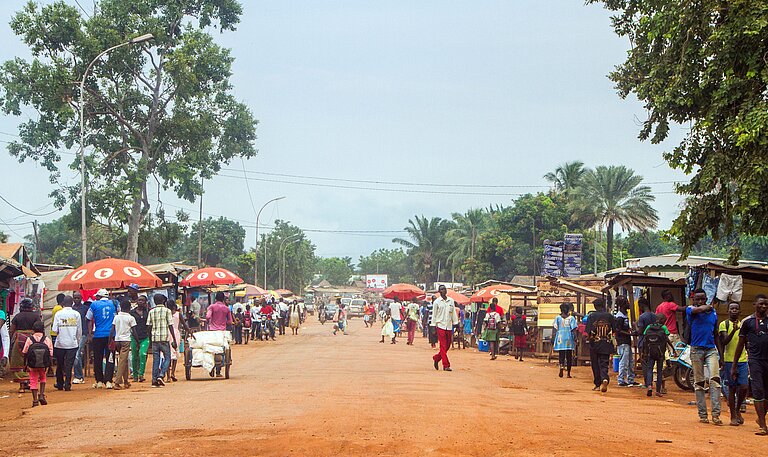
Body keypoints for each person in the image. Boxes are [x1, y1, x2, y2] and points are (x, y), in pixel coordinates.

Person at [731, 294, 768, 435]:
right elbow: (740, 344)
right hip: (755, 360)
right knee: (758, 391)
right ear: (754, 304)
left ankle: (761, 419)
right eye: (761, 304)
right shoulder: (747, 322)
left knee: (766, 393)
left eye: (766, 304)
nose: (763, 306)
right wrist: (734, 366)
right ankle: (763, 426)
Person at [687, 288, 722, 425]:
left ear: (706, 298)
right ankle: (703, 415)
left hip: (711, 349)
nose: (700, 301)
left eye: (703, 299)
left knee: (715, 380)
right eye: (698, 299)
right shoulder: (691, 310)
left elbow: (716, 334)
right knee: (699, 382)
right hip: (696, 349)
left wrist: (721, 356)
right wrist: (707, 306)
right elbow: (698, 310)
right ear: (694, 300)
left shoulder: (713, 313)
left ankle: (716, 415)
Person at [719, 302, 749, 426]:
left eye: (736, 309)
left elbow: (746, 342)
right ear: (728, 311)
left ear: (740, 311)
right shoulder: (724, 324)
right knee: (731, 388)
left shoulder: (744, 325)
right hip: (729, 360)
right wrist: (734, 331)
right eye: (732, 308)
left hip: (742, 359)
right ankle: (733, 415)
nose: (734, 311)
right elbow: (724, 341)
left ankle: (737, 409)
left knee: (744, 387)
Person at [86, 289, 116, 389]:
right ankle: (108, 380)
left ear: (99, 296)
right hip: (111, 336)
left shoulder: (94, 305)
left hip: (98, 335)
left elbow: (88, 319)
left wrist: (90, 334)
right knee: (110, 358)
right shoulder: (114, 303)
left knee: (97, 358)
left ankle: (99, 380)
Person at [51, 296, 81, 392]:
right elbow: (79, 330)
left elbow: (54, 330)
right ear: (72, 303)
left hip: (60, 343)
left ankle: (60, 383)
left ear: (63, 303)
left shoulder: (58, 314)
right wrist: (77, 340)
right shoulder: (76, 314)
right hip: (72, 343)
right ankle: (67, 384)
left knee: (60, 364)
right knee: (69, 364)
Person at [146, 294, 177, 386]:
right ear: (163, 301)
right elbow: (170, 325)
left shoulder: (151, 312)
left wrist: (149, 338)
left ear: (155, 301)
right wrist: (174, 339)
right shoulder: (167, 311)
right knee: (167, 358)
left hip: (155, 338)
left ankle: (154, 380)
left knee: (156, 359)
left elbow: (149, 325)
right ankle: (162, 374)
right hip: (164, 338)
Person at [585, 298, 615, 393]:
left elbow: (589, 331)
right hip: (606, 342)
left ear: (595, 306)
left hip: (594, 343)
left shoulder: (591, 316)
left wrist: (589, 339)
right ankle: (605, 378)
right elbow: (614, 330)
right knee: (604, 363)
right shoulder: (610, 316)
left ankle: (597, 384)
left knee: (595, 364)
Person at [21, 320, 52, 407]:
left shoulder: (29, 339)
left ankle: (35, 400)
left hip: (32, 365)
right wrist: (49, 365)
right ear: (43, 329)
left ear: (33, 330)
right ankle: (41, 395)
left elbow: (25, 352)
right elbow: (50, 353)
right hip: (43, 364)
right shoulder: (46, 339)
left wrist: (25, 364)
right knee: (43, 378)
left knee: (33, 380)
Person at [643, 313, 673, 397]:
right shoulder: (663, 327)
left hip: (650, 352)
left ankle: (649, 386)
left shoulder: (649, 327)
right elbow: (667, 339)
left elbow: (645, 338)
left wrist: (644, 352)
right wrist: (672, 348)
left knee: (649, 369)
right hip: (660, 352)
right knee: (659, 371)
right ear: (663, 320)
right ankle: (658, 391)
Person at [110, 298, 137, 390]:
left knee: (124, 360)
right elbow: (134, 331)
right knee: (122, 361)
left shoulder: (116, 317)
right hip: (126, 340)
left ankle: (126, 381)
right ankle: (117, 382)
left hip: (117, 340)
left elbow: (112, 329)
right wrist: (137, 342)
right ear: (129, 308)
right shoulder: (130, 318)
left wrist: (110, 340)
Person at [431, 285, 458, 371]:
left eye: (444, 289)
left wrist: (456, 323)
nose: (443, 291)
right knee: (442, 345)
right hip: (440, 325)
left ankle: (436, 358)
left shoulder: (451, 301)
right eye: (441, 290)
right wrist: (433, 327)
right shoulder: (437, 302)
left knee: (447, 345)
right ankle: (446, 365)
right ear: (439, 292)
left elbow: (453, 313)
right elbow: (434, 315)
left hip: (449, 326)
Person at [614, 296, 639, 387]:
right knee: (623, 361)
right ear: (623, 304)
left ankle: (630, 379)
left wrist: (630, 332)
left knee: (630, 361)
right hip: (622, 341)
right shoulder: (619, 317)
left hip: (626, 341)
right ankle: (621, 380)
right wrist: (630, 334)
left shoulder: (624, 315)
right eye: (627, 303)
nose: (629, 304)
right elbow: (618, 330)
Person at [167, 301, 192, 382]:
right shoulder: (178, 314)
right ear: (174, 306)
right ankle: (173, 373)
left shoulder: (166, 313)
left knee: (167, 354)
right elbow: (184, 325)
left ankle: (168, 375)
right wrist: (190, 333)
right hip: (176, 334)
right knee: (174, 353)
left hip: (166, 333)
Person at [635, 298, 656, 389]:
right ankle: (650, 382)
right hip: (653, 341)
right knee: (651, 363)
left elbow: (640, 331)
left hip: (643, 342)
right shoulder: (654, 315)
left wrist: (635, 325)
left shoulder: (642, 317)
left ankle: (647, 383)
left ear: (641, 305)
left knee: (644, 363)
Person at [553, 303, 578, 378]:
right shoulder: (572, 318)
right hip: (569, 338)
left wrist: (553, 337)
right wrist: (576, 338)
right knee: (569, 356)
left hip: (560, 337)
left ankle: (561, 366)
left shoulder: (557, 318)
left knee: (561, 354)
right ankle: (568, 373)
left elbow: (555, 328)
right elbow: (574, 329)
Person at [129, 294, 150, 383]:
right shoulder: (132, 313)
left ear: (145, 302)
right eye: (139, 300)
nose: (140, 302)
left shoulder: (148, 312)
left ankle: (141, 374)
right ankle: (135, 375)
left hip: (144, 337)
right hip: (134, 337)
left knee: (142, 354)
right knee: (134, 356)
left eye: (142, 300)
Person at [72, 291, 90, 384]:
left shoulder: (85, 308)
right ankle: (79, 375)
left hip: (83, 333)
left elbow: (89, 321)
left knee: (77, 354)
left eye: (78, 298)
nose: (76, 300)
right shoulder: (71, 309)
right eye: (75, 298)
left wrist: (89, 334)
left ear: (81, 298)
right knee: (75, 354)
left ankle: (78, 376)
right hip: (73, 334)